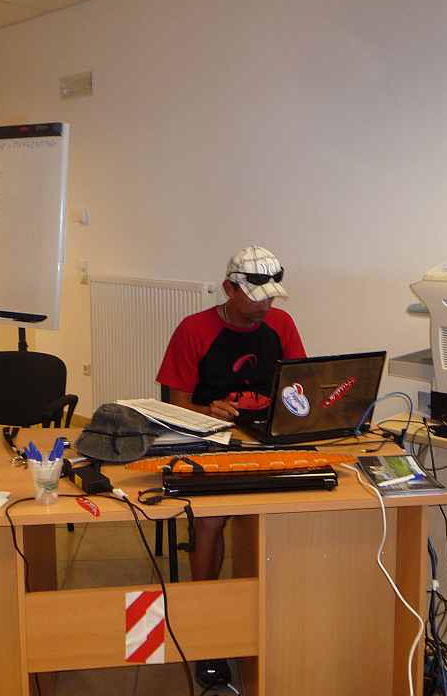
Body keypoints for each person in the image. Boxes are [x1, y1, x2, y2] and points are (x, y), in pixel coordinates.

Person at [156, 245, 305, 685]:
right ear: (228, 289)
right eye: (255, 298)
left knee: (304, 502)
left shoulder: (281, 324)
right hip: (209, 436)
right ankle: (206, 623)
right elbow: (175, 404)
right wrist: (209, 411)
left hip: (266, 435)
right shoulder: (194, 329)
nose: (264, 307)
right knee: (211, 519)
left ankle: (281, 616)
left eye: (270, 298)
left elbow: (300, 385)